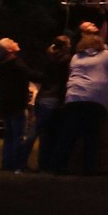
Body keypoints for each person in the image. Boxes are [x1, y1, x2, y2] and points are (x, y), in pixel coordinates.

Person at [54, 31, 108, 175]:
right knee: (92, 135)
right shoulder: (107, 55)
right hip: (96, 98)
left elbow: (71, 72)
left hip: (74, 96)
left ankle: (60, 165)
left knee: (69, 134)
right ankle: (89, 167)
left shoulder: (76, 57)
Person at [27, 34, 70, 172]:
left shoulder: (48, 58)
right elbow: (63, 81)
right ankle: (49, 164)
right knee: (52, 133)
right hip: (54, 98)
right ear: (64, 47)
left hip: (42, 97)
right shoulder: (66, 61)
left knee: (43, 134)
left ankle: (42, 163)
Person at [0, 38, 31, 173]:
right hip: (17, 105)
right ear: (9, 50)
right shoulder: (17, 65)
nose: (15, 42)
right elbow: (29, 76)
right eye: (12, 42)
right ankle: (18, 165)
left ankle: (6, 162)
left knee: (9, 135)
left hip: (5, 105)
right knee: (19, 135)